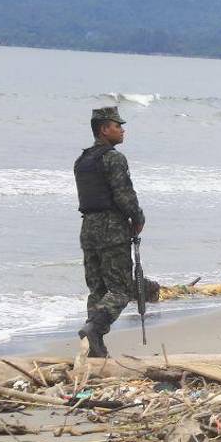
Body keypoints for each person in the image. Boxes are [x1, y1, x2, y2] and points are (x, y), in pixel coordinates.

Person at [74, 107, 144, 357]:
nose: (122, 129)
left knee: (98, 290)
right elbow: (124, 195)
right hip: (111, 228)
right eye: (117, 125)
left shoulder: (82, 160)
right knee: (120, 290)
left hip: (88, 228)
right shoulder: (113, 158)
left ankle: (95, 347)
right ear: (104, 129)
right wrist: (138, 218)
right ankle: (95, 328)